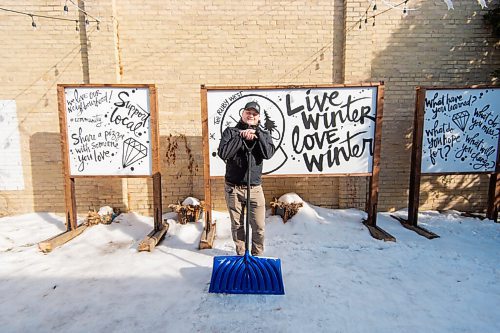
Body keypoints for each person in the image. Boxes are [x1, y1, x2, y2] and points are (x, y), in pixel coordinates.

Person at [217, 101, 276, 256]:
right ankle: (242, 255)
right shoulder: (231, 132)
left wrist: (257, 136)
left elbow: (268, 153)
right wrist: (240, 138)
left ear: (259, 118)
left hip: (255, 188)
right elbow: (224, 153)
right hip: (233, 188)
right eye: (248, 112)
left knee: (258, 226)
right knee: (237, 225)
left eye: (254, 114)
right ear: (242, 114)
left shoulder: (264, 134)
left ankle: (256, 257)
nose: (251, 115)